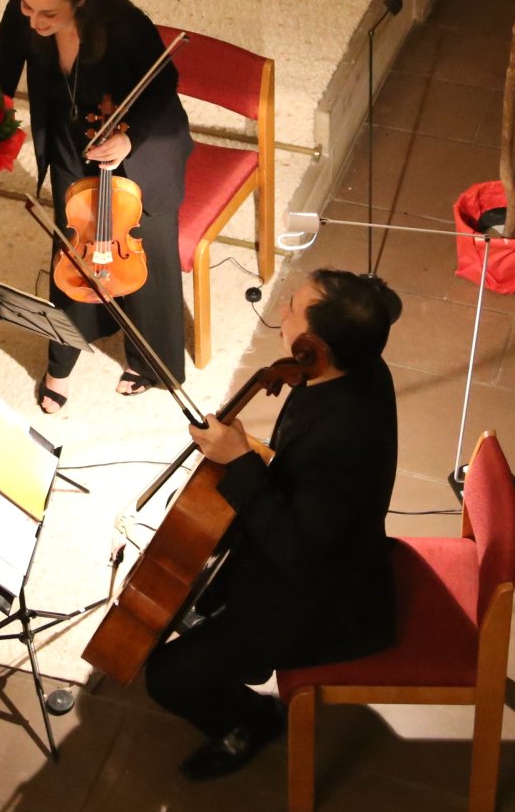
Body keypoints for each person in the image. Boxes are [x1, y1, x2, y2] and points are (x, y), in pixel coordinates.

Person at [143, 269, 402, 780]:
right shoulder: (363, 370)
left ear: (314, 345)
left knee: (167, 676)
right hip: (330, 548)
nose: (280, 311)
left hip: (322, 600)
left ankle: (252, 720)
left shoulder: (343, 439)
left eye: (290, 308)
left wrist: (240, 462)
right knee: (197, 607)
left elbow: (300, 555)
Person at [0, 0, 193, 414]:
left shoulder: (124, 24)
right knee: (73, 253)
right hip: (70, 138)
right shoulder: (25, 15)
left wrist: (129, 138)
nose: (34, 22)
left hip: (142, 143)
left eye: (48, 15)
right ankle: (63, 357)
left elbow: (163, 86)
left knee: (144, 254)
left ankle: (151, 360)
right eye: (27, 5)